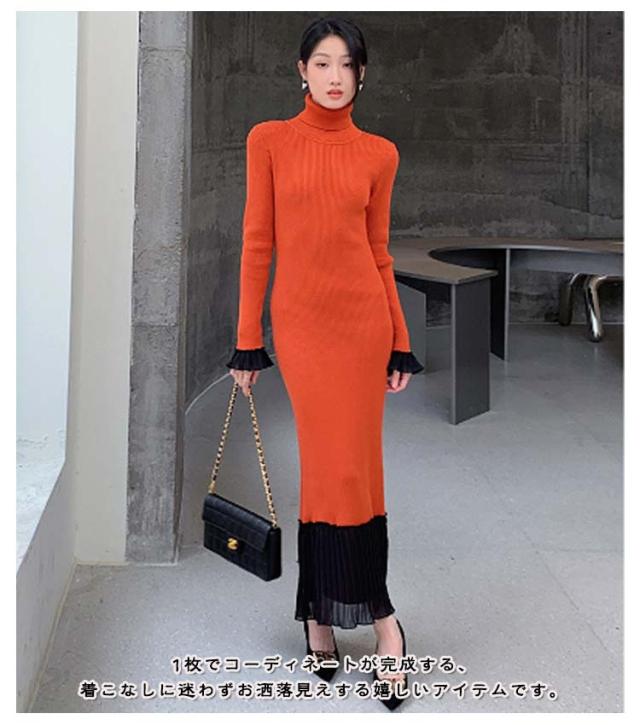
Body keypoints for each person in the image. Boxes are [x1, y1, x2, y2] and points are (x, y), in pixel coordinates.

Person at [226, 16, 424, 710]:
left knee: (356, 468)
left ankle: (345, 616)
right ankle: (362, 615)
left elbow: (379, 252)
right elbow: (257, 242)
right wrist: (247, 339)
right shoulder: (269, 141)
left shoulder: (380, 154)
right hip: (304, 329)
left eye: (346, 64)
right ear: (301, 71)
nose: (335, 76)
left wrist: (399, 338)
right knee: (328, 467)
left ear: (362, 74)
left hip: (362, 326)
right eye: (322, 63)